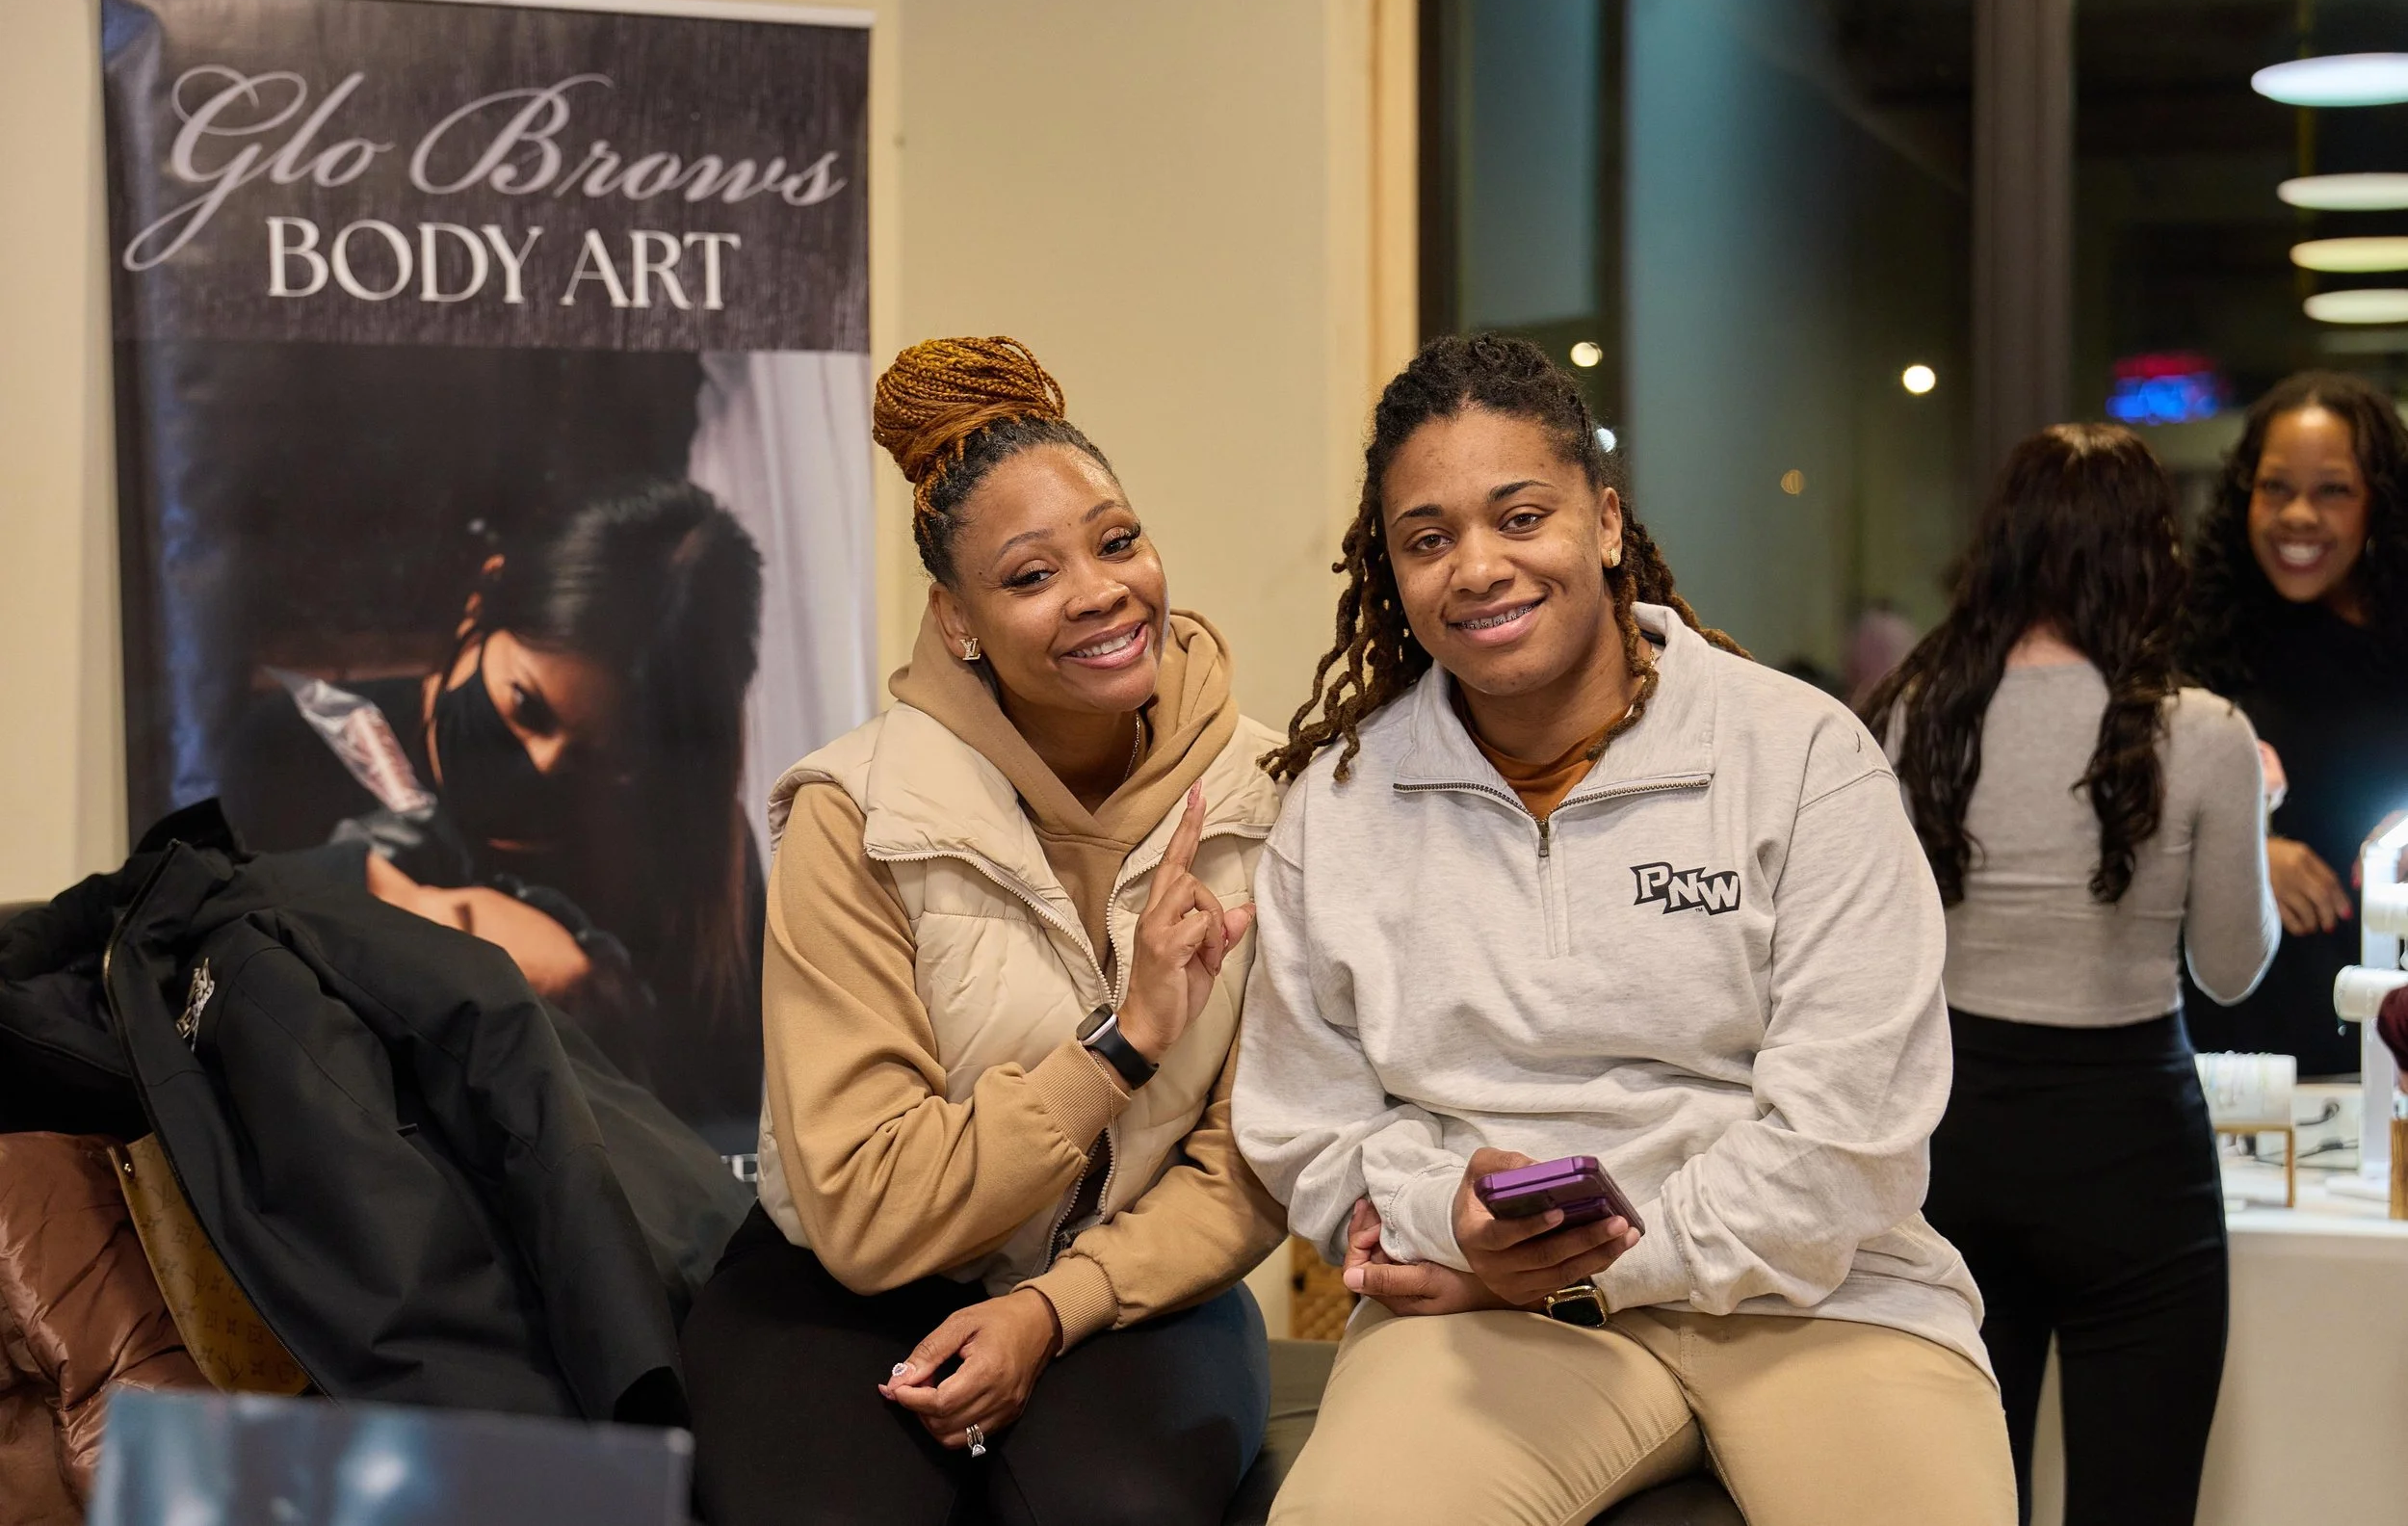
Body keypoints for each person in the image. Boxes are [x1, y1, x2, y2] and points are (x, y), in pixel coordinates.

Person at [1235, 333, 2014, 1526]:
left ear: (1603, 522)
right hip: (1487, 1315)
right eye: (1427, 539)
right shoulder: (1339, 808)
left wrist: (1602, 1258)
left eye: (1519, 516)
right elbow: (1304, 1123)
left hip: (1825, 1302)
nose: (1478, 567)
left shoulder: (1798, 758)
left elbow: (1848, 1138)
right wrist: (1449, 1212)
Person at [679, 337, 1287, 1526]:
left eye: (1117, 541)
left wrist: (1054, 1305)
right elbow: (860, 1206)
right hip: (844, 1287)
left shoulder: (1277, 793)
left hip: (1130, 1280)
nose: (1103, 589)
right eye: (1030, 575)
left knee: (1112, 1510)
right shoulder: (854, 815)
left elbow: (1254, 1161)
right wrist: (1120, 1047)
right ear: (957, 620)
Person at [1863, 425, 2278, 1526]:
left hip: (1951, 1139)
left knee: (1956, 1499)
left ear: (2001, 545)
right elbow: (2232, 971)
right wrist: (2255, 814)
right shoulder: (2203, 735)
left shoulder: (1916, 715)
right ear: (2150, 552)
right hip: (2131, 1156)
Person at [215, 478, 769, 1147]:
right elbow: (221, 1012)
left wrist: (600, 1009)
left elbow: (724, 1139)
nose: (540, 763)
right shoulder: (294, 752)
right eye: (526, 706)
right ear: (486, 595)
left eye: (604, 758)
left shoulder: (687, 853)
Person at [2180, 370, 2408, 1076]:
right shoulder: (2194, 638)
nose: (2298, 515)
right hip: (2232, 1031)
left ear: (2381, 502)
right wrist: (2249, 849)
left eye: (2332, 489)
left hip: (2387, 1023)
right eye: (2275, 487)